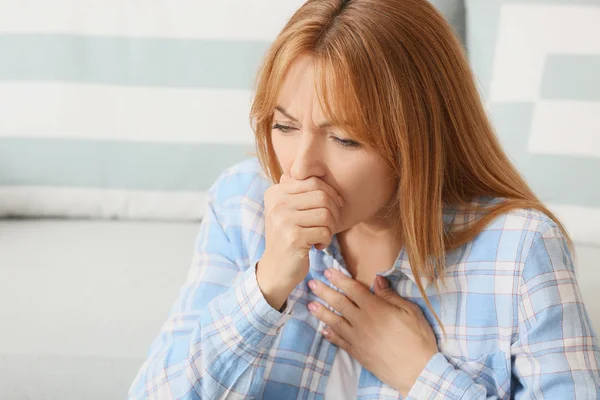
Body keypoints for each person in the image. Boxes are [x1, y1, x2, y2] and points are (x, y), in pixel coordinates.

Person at [128, 0, 600, 398]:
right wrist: (265, 285)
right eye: (285, 127)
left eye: (345, 139)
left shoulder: (520, 250)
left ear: (418, 140)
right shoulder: (243, 204)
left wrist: (422, 376)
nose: (299, 168)